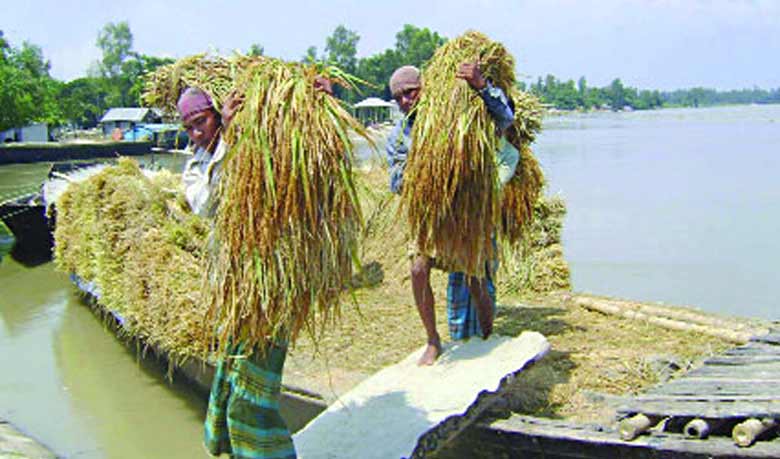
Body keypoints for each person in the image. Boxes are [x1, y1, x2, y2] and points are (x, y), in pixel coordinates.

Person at [177, 86, 291, 459]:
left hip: (271, 282)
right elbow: (207, 206)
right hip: (233, 287)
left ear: (217, 114)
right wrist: (225, 140)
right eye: (189, 127)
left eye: (202, 122)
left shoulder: (258, 147)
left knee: (253, 390)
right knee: (233, 378)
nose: (197, 133)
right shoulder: (195, 168)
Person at [386, 64, 519, 365]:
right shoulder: (399, 136)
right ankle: (433, 340)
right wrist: (426, 172)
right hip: (428, 213)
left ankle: (488, 335)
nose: (405, 101)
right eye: (398, 98)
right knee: (418, 269)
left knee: (474, 276)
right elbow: (395, 181)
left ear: (425, 87)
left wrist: (481, 86)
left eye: (410, 92)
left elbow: (505, 118)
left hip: (464, 209)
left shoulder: (455, 114)